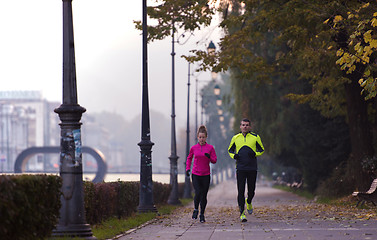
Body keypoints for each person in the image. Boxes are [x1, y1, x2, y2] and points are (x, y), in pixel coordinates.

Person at [228, 118, 264, 222]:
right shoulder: (235, 138)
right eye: (243, 125)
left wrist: (255, 154)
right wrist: (234, 156)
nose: (245, 126)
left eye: (247, 125)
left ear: (250, 127)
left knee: (251, 190)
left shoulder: (255, 137)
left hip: (252, 168)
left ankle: (249, 202)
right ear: (240, 126)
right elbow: (230, 150)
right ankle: (242, 213)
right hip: (240, 168)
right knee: (240, 191)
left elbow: (262, 150)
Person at [186, 125, 217, 223]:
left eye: (203, 137)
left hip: (206, 175)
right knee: (198, 192)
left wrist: (209, 157)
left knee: (204, 195)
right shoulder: (194, 148)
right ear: (197, 137)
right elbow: (189, 158)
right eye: (200, 137)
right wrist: (187, 168)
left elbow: (214, 160)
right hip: (196, 174)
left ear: (206, 137)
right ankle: (196, 209)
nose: (201, 139)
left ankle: (202, 214)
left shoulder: (210, 148)